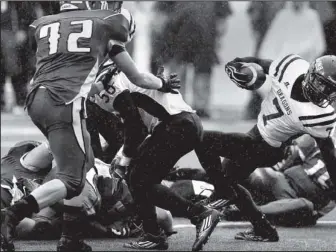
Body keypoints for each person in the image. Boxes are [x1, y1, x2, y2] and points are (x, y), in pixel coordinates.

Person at [1, 1, 180, 251]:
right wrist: (162, 83)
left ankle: (70, 239)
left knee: (83, 165)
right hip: (64, 101)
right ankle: (13, 215)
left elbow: (65, 69)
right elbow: (137, 77)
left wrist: (97, 84)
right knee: (73, 177)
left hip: (37, 98)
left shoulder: (45, 24)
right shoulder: (106, 23)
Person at [192, 53, 336, 242]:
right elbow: (262, 64)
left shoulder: (321, 115)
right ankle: (264, 229)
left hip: (268, 148)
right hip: (255, 134)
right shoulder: (292, 67)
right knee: (229, 181)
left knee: (203, 139)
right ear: (310, 73)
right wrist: (238, 63)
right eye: (321, 83)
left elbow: (329, 156)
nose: (323, 92)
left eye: (330, 90)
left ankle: (215, 201)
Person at [165, 118, 336, 230]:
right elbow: (286, 161)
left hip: (299, 206)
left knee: (304, 205)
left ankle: (238, 213)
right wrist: (269, 172)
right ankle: (177, 174)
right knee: (244, 172)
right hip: (280, 183)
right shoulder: (320, 144)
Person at [91, 64, 223, 251]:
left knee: (137, 178)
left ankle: (198, 215)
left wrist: (123, 158)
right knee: (139, 179)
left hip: (176, 125)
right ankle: (156, 233)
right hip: (181, 124)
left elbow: (136, 128)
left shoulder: (110, 83)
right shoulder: (116, 77)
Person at [0, 141, 175, 240]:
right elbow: (165, 218)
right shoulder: (21, 164)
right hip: (84, 194)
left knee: (42, 224)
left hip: (85, 196)